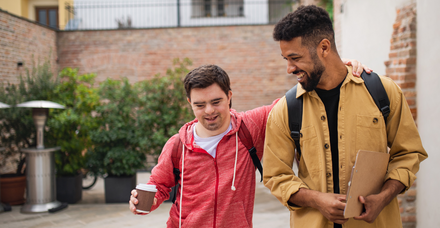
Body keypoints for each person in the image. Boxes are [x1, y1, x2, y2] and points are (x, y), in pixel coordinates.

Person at [129, 62, 368, 227]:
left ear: (229, 96)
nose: (209, 111)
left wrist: (339, 69)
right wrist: (142, 203)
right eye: (200, 105)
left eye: (216, 101)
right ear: (190, 103)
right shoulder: (178, 144)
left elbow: (294, 97)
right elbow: (159, 186)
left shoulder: (249, 127)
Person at [262, 5, 428, 228]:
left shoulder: (383, 92)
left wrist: (383, 197)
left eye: (295, 58)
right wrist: (317, 200)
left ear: (324, 47)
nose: (290, 69)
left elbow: (408, 154)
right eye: (286, 59)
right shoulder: (285, 110)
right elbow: (275, 176)